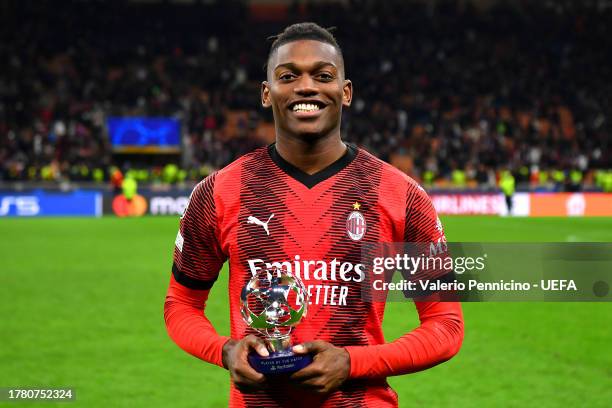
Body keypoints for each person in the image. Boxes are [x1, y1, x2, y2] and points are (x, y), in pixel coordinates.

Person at [164, 23, 463, 407]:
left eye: (323, 75)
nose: (306, 87)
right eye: (288, 76)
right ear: (266, 93)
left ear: (346, 91)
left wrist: (353, 362)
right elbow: (181, 305)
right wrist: (224, 350)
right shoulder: (219, 192)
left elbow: (446, 324)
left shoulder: (401, 195)